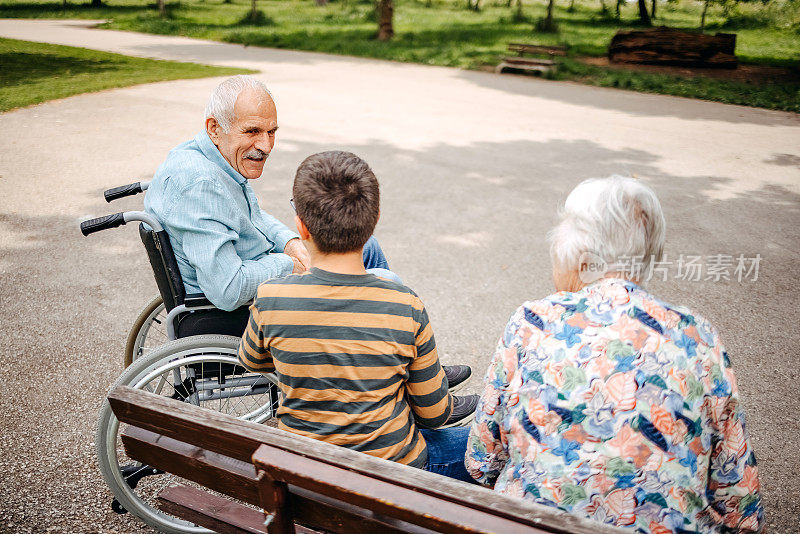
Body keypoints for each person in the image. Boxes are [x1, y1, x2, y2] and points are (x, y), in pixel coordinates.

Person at [466, 176, 764, 533]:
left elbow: (481, 462)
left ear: (577, 256)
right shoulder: (697, 337)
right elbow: (741, 506)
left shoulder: (531, 323)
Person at [238, 151, 478, 482]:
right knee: (496, 441)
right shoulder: (405, 306)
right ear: (374, 220)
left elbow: (253, 361)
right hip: (389, 477)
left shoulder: (271, 297)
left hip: (304, 476)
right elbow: (436, 415)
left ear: (301, 227)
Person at [143, 75, 393, 336]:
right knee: (381, 278)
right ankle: (389, 353)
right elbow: (228, 289)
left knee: (365, 248)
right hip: (236, 311)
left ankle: (383, 347)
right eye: (252, 131)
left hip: (255, 274)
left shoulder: (207, 157)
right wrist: (288, 264)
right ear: (214, 128)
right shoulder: (201, 185)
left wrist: (290, 243)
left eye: (271, 132)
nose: (265, 145)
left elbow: (252, 217)